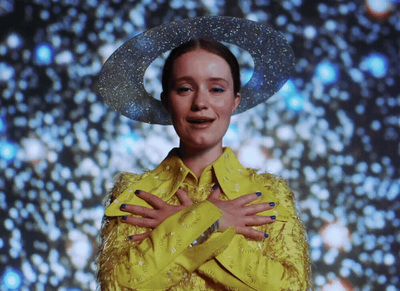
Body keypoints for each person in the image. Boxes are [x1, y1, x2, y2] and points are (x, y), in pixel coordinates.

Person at [97, 16, 311, 290]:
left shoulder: (269, 194)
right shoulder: (134, 193)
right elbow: (118, 286)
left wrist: (188, 224)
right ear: (167, 101)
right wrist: (208, 219)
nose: (200, 102)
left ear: (236, 101)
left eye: (217, 89)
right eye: (185, 89)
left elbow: (291, 288)